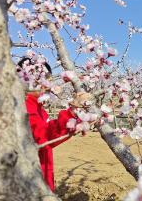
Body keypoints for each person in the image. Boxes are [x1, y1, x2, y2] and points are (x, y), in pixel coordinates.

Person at [17, 57, 90, 191]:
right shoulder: (23, 107)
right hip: (30, 184)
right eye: (44, 81)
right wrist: (71, 113)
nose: (48, 86)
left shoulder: (39, 108)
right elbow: (43, 136)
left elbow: (48, 135)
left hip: (40, 175)